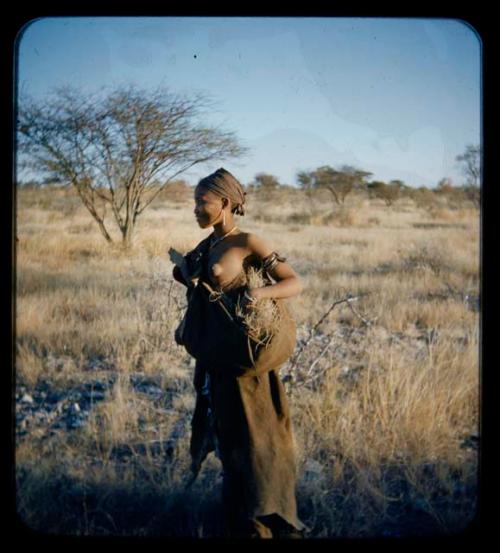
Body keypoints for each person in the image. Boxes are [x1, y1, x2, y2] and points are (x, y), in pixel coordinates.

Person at [171, 168, 306, 538]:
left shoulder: (248, 242)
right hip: (218, 365)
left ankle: (268, 522)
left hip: (248, 369)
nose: (196, 209)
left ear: (225, 204)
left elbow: (294, 281)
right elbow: (192, 282)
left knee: (259, 448)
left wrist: (258, 294)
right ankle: (238, 522)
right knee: (230, 444)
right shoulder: (207, 245)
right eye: (194, 202)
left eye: (203, 202)